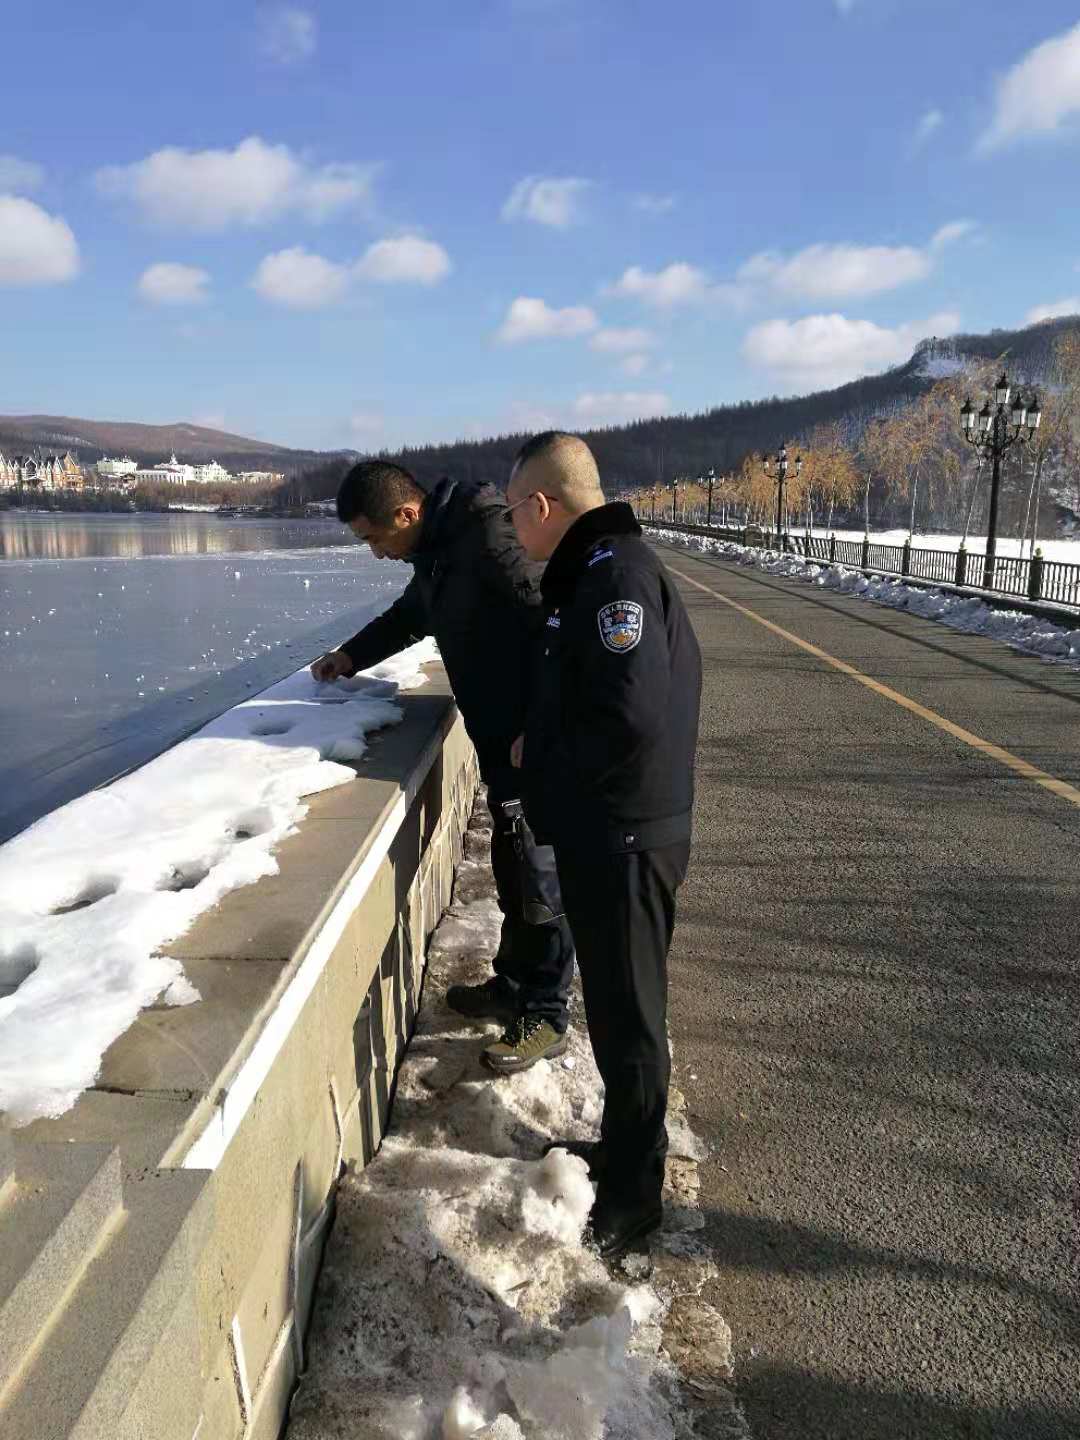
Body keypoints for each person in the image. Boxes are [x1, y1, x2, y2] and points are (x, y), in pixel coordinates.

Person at [310, 460, 574, 1073]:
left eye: (374, 538)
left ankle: (547, 1010)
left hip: (531, 743)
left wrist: (543, 725)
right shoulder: (435, 553)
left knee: (540, 872)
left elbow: (550, 627)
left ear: (406, 514)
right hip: (501, 740)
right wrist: (350, 655)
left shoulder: (486, 538)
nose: (375, 553)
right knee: (514, 864)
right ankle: (514, 980)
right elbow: (412, 616)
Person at [506, 432, 702, 1258]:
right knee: (620, 1015)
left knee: (631, 1023)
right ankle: (623, 1153)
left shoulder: (614, 576)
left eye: (514, 510)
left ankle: (634, 1196)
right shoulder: (597, 571)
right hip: (613, 831)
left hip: (622, 835)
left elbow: (628, 715)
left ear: (543, 506)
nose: (513, 527)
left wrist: (541, 757)